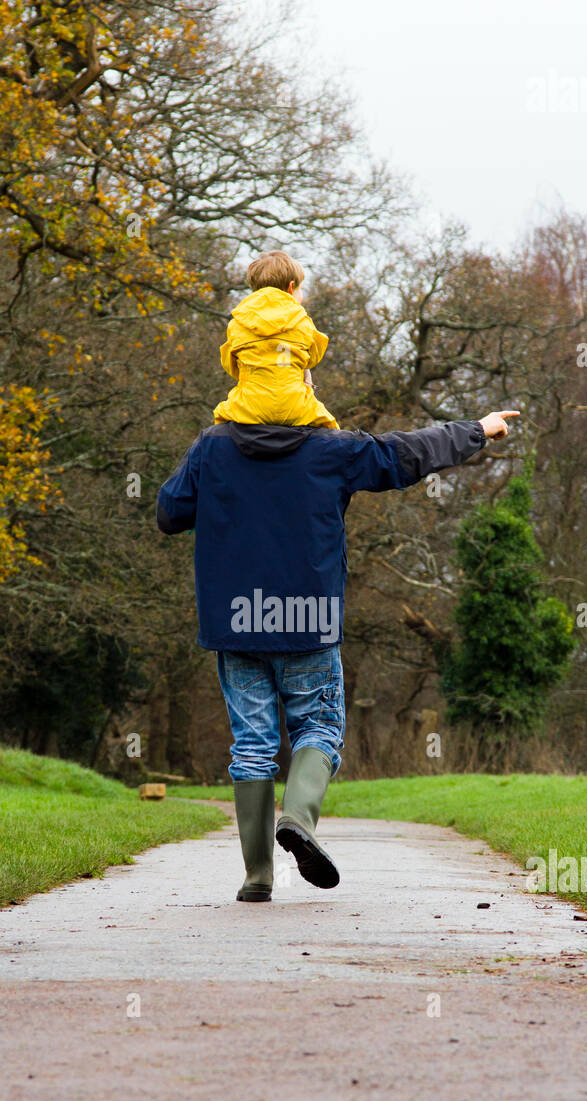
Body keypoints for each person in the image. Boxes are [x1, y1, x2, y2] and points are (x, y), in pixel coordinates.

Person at [158, 294, 518, 901]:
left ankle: (255, 877)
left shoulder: (212, 449)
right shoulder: (333, 452)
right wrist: (476, 431)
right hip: (307, 618)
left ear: (241, 367)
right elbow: (407, 454)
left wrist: (223, 496)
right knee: (319, 728)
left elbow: (170, 513)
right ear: (301, 371)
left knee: (250, 744)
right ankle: (297, 819)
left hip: (234, 623)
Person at [212, 250, 339, 430]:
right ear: (291, 287)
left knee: (218, 427)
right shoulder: (303, 322)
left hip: (247, 408)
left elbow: (230, 365)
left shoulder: (238, 322)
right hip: (297, 407)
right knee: (332, 430)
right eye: (300, 289)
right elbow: (313, 358)